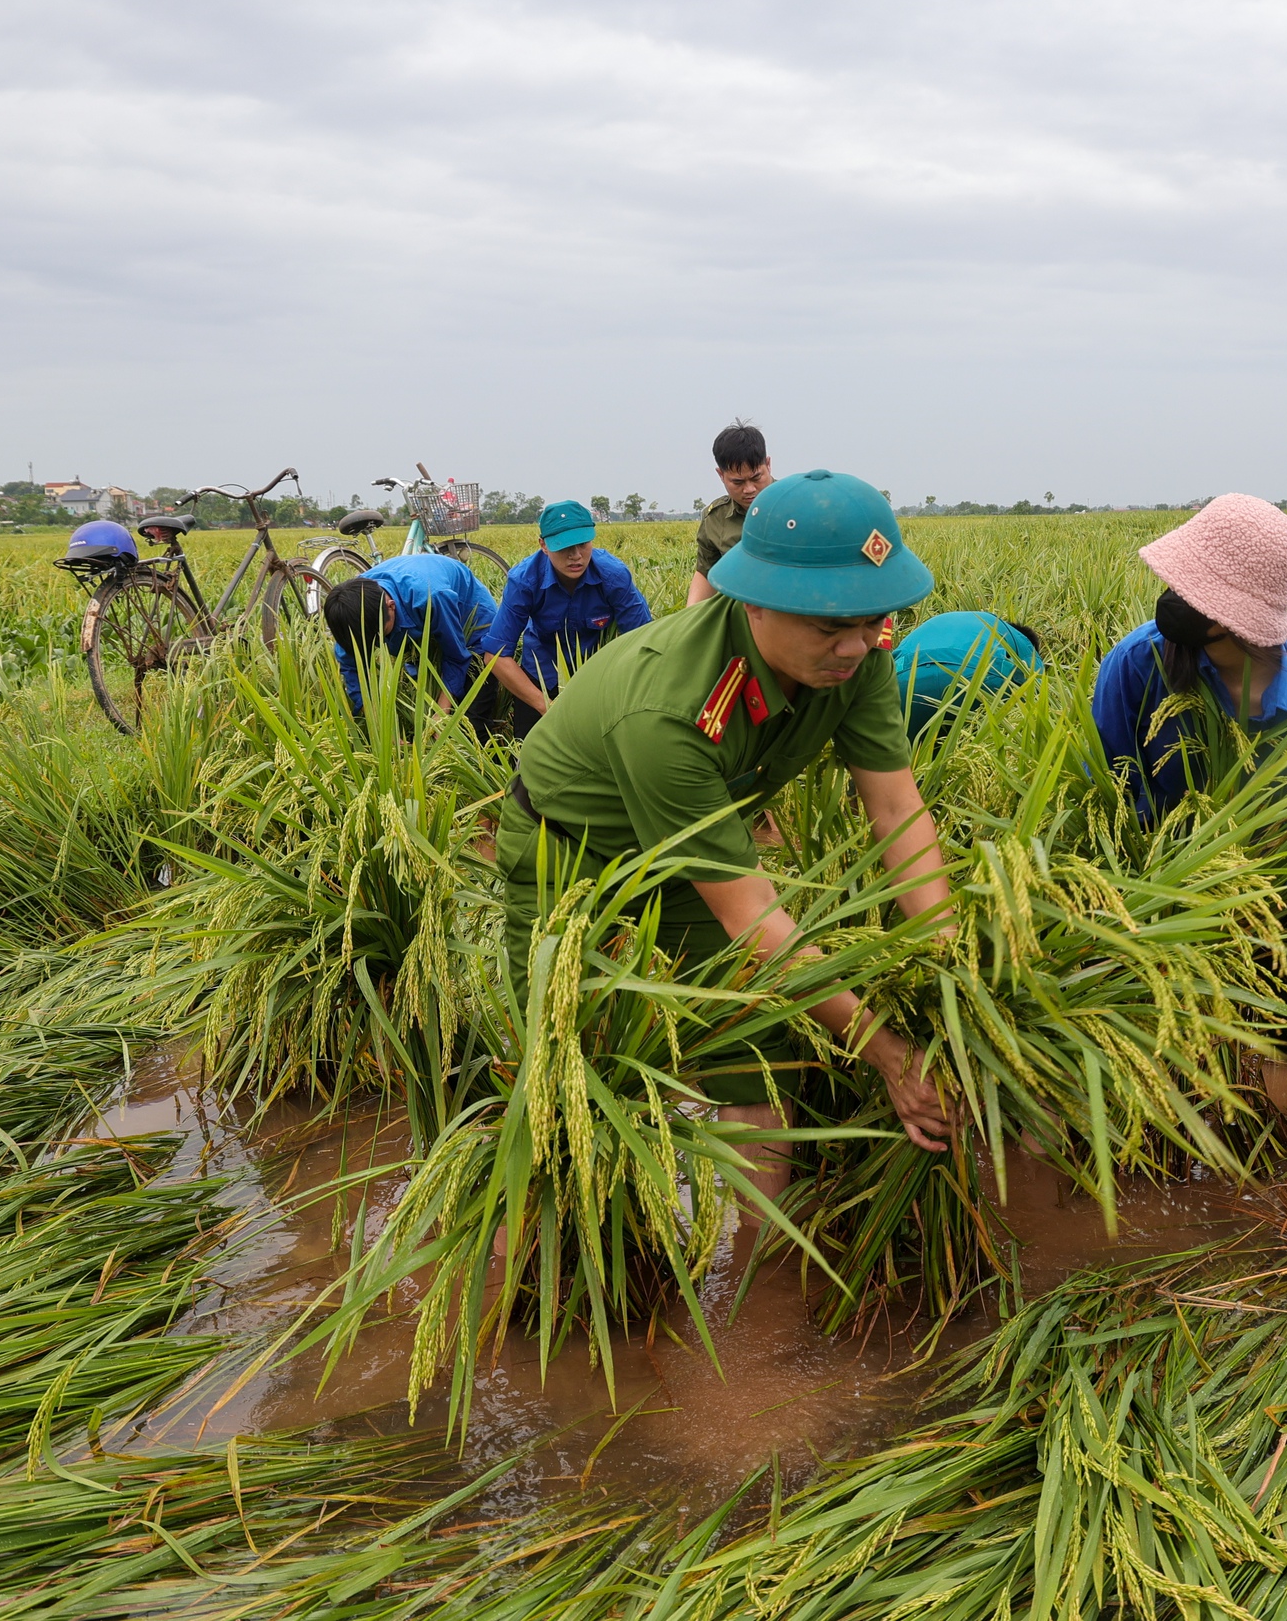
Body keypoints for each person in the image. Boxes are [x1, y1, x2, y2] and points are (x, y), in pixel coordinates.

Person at [498, 469, 957, 1202]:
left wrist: (947, 968)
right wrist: (888, 1053)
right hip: (569, 850)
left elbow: (897, 809)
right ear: (756, 605)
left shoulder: (860, 655)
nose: (855, 645)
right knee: (573, 1057)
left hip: (694, 846)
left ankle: (761, 1264)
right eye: (830, 626)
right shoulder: (671, 709)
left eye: (871, 622)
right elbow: (750, 919)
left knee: (755, 1038)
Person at [1090, 494, 1287, 1123]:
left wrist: (1238, 895)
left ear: (1234, 620)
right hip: (1145, 883)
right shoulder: (1138, 664)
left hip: (1270, 890)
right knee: (1150, 1032)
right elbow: (1111, 783)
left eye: (1190, 592)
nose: (1170, 603)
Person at [477, 500, 655, 734]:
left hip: (596, 674)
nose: (576, 556)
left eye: (582, 544)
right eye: (563, 547)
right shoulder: (524, 580)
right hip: (541, 674)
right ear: (543, 545)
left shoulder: (613, 575)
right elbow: (496, 655)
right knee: (531, 755)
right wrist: (546, 706)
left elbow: (644, 641)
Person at [320, 551, 499, 717]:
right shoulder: (350, 614)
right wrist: (378, 725)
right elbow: (352, 668)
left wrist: (441, 715)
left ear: (391, 606)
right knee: (421, 697)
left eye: (382, 635)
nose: (380, 643)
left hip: (470, 617)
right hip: (416, 615)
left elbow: (456, 656)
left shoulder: (431, 596)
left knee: (473, 713)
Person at [893, 611, 1043, 738]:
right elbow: (1037, 688)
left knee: (910, 763)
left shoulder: (946, 623)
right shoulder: (1021, 640)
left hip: (906, 683)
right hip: (977, 678)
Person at [686, 421, 773, 605]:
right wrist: (688, 618)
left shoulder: (796, 505)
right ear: (721, 475)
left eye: (756, 477)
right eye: (738, 482)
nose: (749, 489)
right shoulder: (716, 519)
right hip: (741, 615)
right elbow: (705, 571)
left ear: (768, 464)